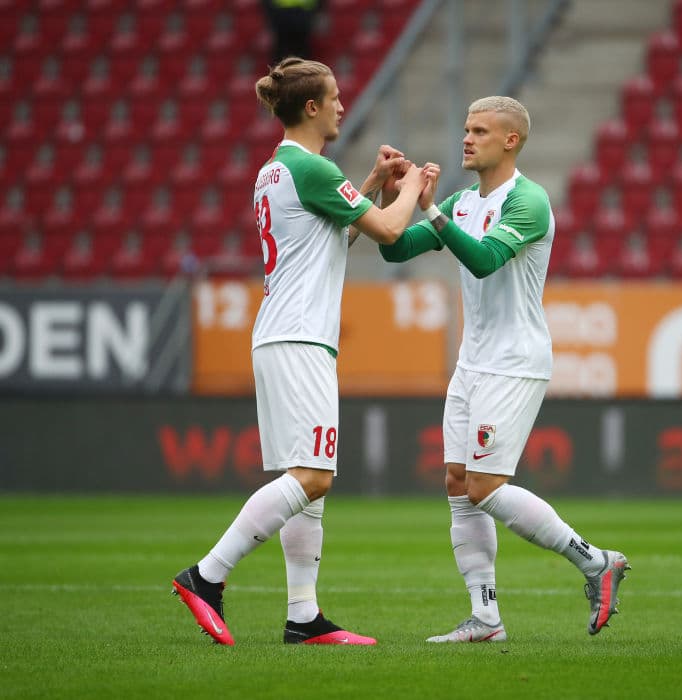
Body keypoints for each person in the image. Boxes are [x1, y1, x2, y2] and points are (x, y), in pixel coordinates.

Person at [172, 56, 430, 646]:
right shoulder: (310, 168)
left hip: (284, 334)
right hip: (298, 339)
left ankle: (303, 616)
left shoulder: (278, 168)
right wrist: (412, 186)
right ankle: (206, 576)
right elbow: (388, 231)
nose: (343, 104)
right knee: (312, 477)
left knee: (305, 479)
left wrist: (367, 185)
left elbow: (328, 233)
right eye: (335, 97)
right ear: (310, 107)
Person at [378, 96, 629, 643]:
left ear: (511, 140)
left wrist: (430, 209)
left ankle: (595, 561)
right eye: (466, 128)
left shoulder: (530, 202)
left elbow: (486, 260)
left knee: (486, 485)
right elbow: (394, 252)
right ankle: (486, 618)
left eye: (480, 131)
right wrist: (391, 193)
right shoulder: (465, 199)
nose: (467, 139)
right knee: (457, 484)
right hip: (473, 361)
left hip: (515, 361)